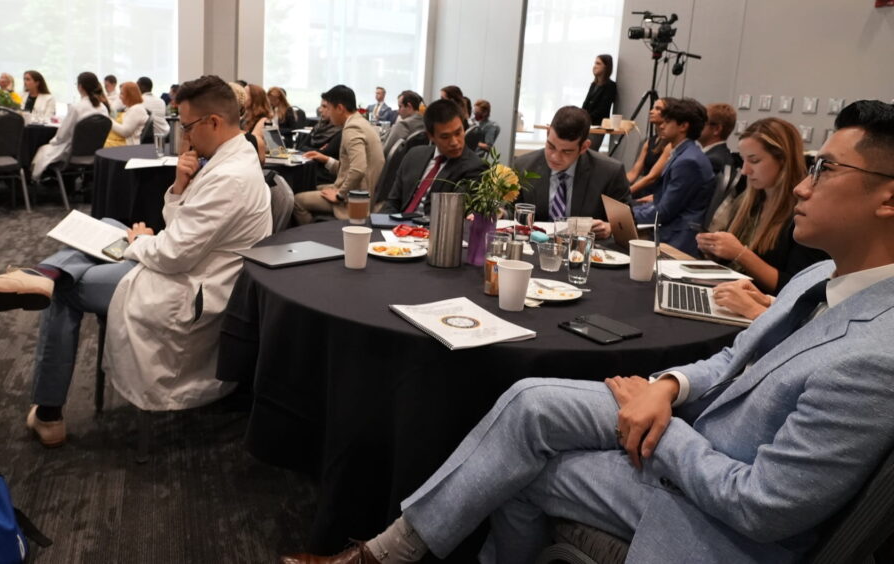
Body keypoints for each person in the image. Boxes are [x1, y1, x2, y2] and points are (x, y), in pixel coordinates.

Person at [282, 99, 894, 564]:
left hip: (712, 510)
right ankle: (386, 554)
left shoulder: (873, 359)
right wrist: (672, 385)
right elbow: (736, 355)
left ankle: (382, 556)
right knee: (528, 401)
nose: (805, 185)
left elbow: (763, 508)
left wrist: (671, 429)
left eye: (826, 169)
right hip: (692, 422)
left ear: (887, 198)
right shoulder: (819, 277)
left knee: (519, 470)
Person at [0, 74, 273, 447]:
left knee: (65, 291)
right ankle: (43, 273)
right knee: (107, 223)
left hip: (187, 289)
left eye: (188, 125)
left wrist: (137, 243)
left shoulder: (229, 177)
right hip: (188, 268)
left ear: (214, 122)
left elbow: (174, 255)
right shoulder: (228, 161)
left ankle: (49, 409)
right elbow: (183, 231)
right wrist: (180, 188)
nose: (185, 136)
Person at [696, 118, 829, 319]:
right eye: (744, 161)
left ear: (783, 159)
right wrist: (716, 251)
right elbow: (733, 261)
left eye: (755, 161)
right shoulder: (749, 201)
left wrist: (740, 253)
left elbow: (795, 285)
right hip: (731, 299)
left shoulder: (803, 214)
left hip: (763, 312)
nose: (746, 171)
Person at [513, 106, 631, 239]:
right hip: (534, 248)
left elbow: (626, 225)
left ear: (584, 147)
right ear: (547, 133)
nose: (555, 157)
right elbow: (510, 214)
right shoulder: (524, 166)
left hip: (585, 252)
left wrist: (611, 228)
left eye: (566, 151)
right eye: (551, 146)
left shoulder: (609, 172)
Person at [632, 98, 715, 256]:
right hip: (671, 231)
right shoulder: (685, 154)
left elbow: (663, 212)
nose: (661, 125)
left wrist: (628, 216)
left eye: (668, 121)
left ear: (684, 126)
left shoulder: (688, 161)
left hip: (677, 240)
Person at [293, 85, 385, 224]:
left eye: (329, 108)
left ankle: (311, 236)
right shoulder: (361, 122)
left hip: (353, 200)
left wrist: (340, 195)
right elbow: (352, 167)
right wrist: (326, 160)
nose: (327, 113)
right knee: (311, 186)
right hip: (362, 192)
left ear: (340, 108)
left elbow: (358, 169)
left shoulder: (352, 128)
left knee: (297, 200)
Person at [380, 99, 485, 215]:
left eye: (458, 132)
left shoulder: (474, 167)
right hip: (395, 227)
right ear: (431, 136)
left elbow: (452, 216)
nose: (455, 142)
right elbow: (393, 202)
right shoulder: (414, 155)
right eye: (445, 137)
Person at [31, 71, 109, 181]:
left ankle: (35, 183)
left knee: (42, 149)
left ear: (80, 87)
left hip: (72, 154)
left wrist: (52, 142)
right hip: (94, 154)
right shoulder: (103, 108)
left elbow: (61, 136)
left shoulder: (76, 107)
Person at [626, 97, 674, 196]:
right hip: (643, 189)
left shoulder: (670, 144)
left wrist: (626, 192)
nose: (651, 111)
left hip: (655, 194)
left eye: (658, 109)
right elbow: (633, 173)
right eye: (653, 108)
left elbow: (652, 177)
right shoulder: (650, 141)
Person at [581, 54, 617, 150]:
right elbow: (585, 104)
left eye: (598, 63)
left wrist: (585, 118)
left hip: (598, 127)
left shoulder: (611, 86)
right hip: (586, 125)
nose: (594, 66)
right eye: (595, 63)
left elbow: (602, 109)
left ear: (606, 67)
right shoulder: (593, 85)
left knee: (589, 151)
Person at [104, 81, 148, 147]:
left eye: (122, 94)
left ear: (130, 95)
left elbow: (125, 132)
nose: (119, 97)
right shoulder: (133, 108)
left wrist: (109, 120)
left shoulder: (136, 110)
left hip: (127, 144)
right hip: (123, 141)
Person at [382, 91, 426, 155]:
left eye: (400, 106)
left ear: (409, 106)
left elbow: (385, 151)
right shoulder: (425, 123)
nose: (398, 111)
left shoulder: (402, 125)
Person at [698, 102, 737, 174]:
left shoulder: (712, 161)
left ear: (717, 129)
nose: (695, 125)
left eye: (701, 122)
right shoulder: (722, 154)